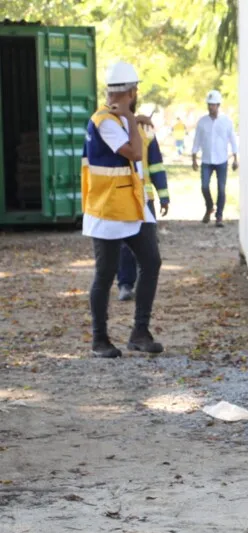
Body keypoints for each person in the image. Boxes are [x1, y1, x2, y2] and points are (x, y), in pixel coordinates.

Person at [80, 61, 164, 358]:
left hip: (133, 207)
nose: (137, 93)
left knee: (151, 262)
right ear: (129, 92)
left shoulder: (118, 120)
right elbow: (135, 152)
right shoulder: (105, 121)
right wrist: (130, 116)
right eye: (135, 90)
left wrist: (131, 117)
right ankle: (99, 340)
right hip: (109, 210)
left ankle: (139, 332)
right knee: (105, 274)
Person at [117, 123, 170, 301]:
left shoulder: (146, 131)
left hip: (145, 197)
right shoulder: (111, 125)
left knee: (148, 243)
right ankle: (125, 283)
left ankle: (143, 283)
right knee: (125, 243)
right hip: (122, 195)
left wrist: (163, 196)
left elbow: (156, 166)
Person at [191, 90, 239, 228]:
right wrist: (194, 157)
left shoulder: (226, 122)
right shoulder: (202, 122)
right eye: (209, 105)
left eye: (213, 105)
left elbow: (232, 140)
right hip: (206, 160)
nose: (210, 107)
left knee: (221, 189)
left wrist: (235, 158)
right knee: (204, 186)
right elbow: (197, 140)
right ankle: (209, 206)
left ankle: (219, 216)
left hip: (222, 160)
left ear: (218, 105)